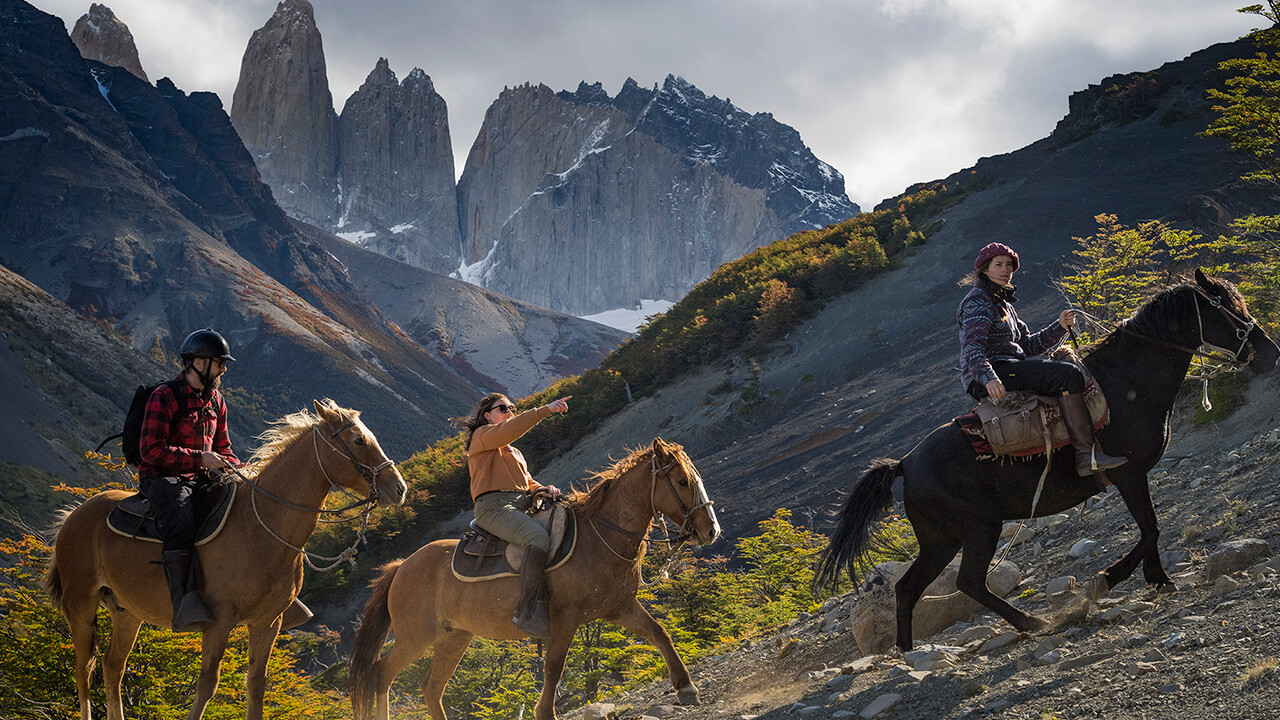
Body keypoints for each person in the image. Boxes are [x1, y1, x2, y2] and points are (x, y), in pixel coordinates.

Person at [138, 328, 311, 632]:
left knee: (246, 509)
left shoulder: (216, 400)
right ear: (198, 363)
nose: (224, 369)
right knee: (180, 516)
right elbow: (150, 450)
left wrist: (239, 469)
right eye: (219, 363)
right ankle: (183, 600)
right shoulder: (165, 396)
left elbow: (223, 447)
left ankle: (274, 593)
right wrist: (198, 458)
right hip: (163, 478)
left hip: (202, 477)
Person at [957, 243, 1126, 476]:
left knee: (1068, 370)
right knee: (1068, 375)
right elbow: (972, 347)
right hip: (992, 373)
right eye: (999, 265)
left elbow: (1027, 345)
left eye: (1009, 265)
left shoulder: (1003, 303)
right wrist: (988, 378)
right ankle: (1087, 456)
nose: (1005, 270)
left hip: (1009, 367)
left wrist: (1059, 327)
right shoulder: (978, 300)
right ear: (984, 270)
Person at [455, 392, 571, 638]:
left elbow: (527, 482)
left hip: (522, 504)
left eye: (512, 408)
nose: (509, 412)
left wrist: (542, 489)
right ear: (487, 415)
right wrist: (545, 410)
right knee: (538, 539)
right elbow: (510, 430)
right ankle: (527, 610)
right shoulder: (482, 436)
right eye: (503, 408)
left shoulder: (514, 451)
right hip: (494, 508)